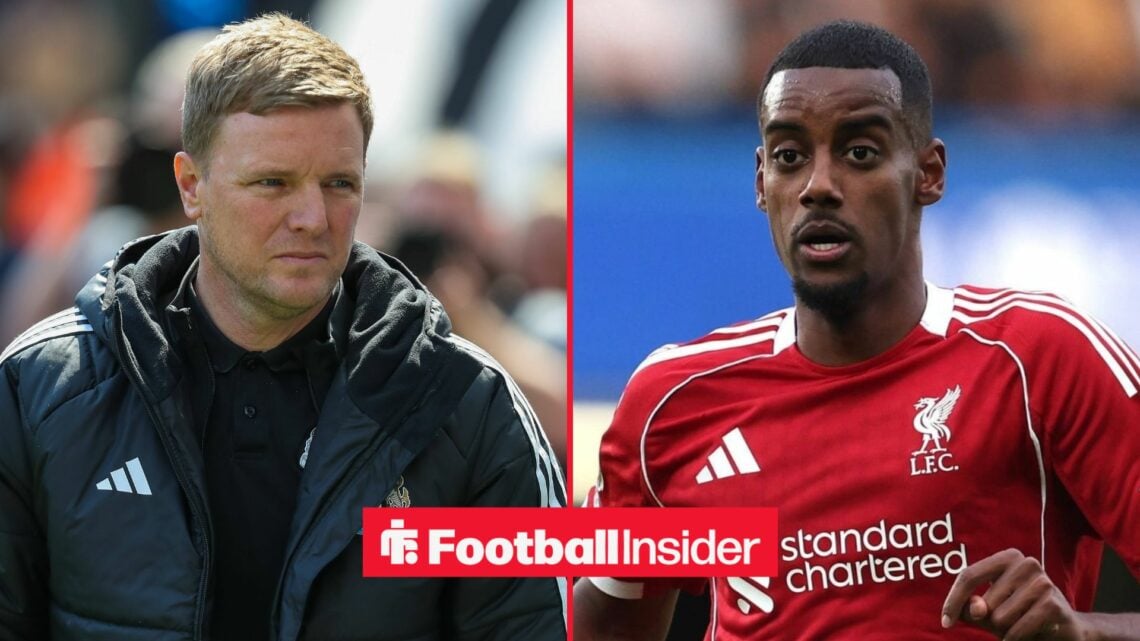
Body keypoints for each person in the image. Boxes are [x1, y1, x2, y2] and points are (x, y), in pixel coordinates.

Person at [0, 14, 566, 641]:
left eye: (339, 184)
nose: (312, 217)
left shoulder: (465, 404)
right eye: (273, 182)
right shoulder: (41, 390)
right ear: (192, 185)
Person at [574, 20, 1139, 641]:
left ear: (929, 172)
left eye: (860, 153)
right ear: (762, 182)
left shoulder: (1037, 358)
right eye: (790, 157)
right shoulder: (671, 401)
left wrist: (1083, 632)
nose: (818, 187)